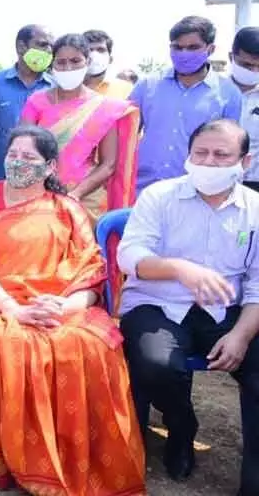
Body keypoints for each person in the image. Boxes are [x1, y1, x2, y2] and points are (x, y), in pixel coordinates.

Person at [0, 125, 146, 494]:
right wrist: (11, 308)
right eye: (13, 155)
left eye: (29, 157)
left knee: (90, 344)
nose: (17, 162)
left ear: (50, 167)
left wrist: (65, 307)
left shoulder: (68, 210)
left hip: (61, 302)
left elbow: (92, 274)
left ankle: (73, 452)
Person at [117, 119, 259, 491]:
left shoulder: (255, 208)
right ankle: (181, 428)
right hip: (157, 303)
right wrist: (180, 269)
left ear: (245, 162)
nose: (209, 162)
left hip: (226, 310)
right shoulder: (159, 196)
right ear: (188, 156)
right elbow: (130, 257)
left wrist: (242, 336)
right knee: (156, 365)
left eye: (221, 155)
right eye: (201, 153)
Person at [20, 34, 139, 216]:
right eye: (61, 62)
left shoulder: (104, 108)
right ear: (53, 65)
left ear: (87, 61)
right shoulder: (37, 102)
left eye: (75, 61)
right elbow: (22, 150)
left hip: (86, 198)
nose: (68, 68)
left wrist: (75, 194)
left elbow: (108, 164)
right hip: (39, 192)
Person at [131, 15, 242, 191]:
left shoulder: (228, 94)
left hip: (197, 191)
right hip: (142, 188)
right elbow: (126, 136)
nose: (184, 54)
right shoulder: (147, 86)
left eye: (193, 47)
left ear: (210, 49)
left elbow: (228, 147)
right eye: (177, 47)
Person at [0, 24, 54, 186]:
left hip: (40, 184)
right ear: (21, 47)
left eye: (51, 46)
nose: (48, 50)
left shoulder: (56, 89)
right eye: (42, 44)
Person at [231, 27, 259, 192]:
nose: (254, 71)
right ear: (231, 57)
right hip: (216, 181)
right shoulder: (216, 92)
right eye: (247, 65)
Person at [82, 29, 133, 99]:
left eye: (101, 50)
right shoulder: (67, 90)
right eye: (89, 50)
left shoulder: (127, 90)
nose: (94, 55)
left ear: (110, 59)